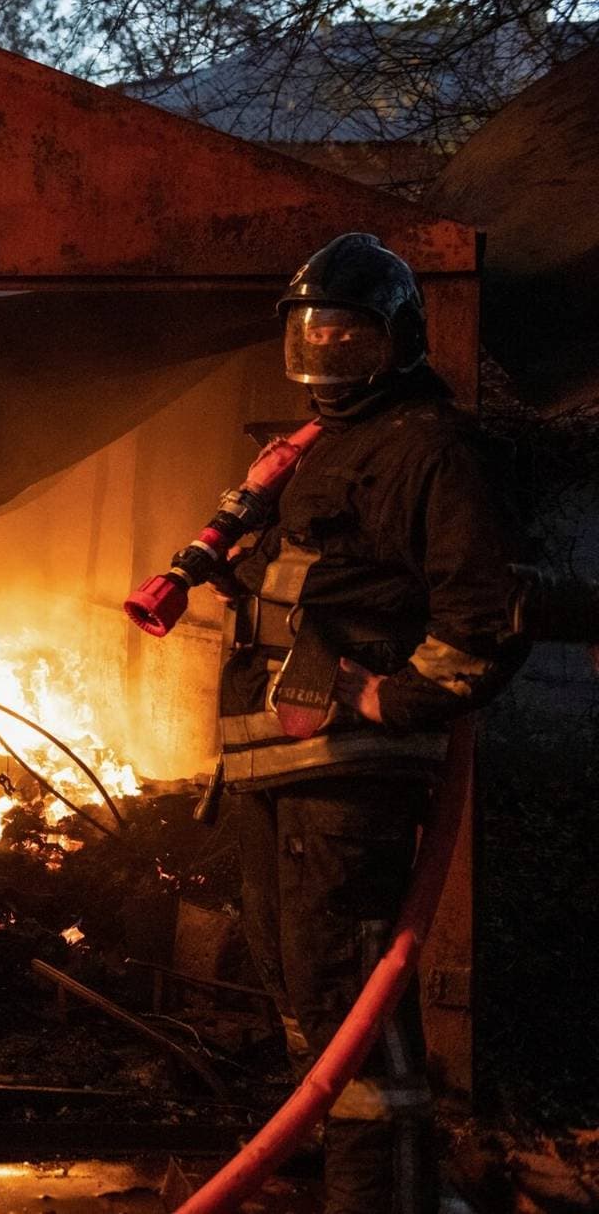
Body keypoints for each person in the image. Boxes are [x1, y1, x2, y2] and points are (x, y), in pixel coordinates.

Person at [215, 233, 528, 1214]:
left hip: (349, 776)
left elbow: (485, 620)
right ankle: (373, 1186)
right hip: (277, 768)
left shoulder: (427, 445)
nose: (324, 356)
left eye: (348, 338)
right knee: (310, 1004)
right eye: (310, 336)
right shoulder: (322, 451)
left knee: (352, 1009)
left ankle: (380, 1200)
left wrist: (393, 699)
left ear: (396, 342)